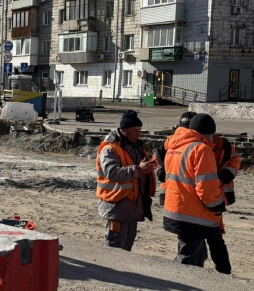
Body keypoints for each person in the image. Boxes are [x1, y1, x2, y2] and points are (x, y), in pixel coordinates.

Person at [162, 113, 231, 274]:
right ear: (208, 133)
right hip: (193, 215)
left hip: (175, 211)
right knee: (188, 261)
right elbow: (206, 188)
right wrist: (217, 204)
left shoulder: (174, 147)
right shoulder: (201, 149)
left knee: (196, 254)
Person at [96, 110, 158, 251]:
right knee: (114, 247)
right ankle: (111, 273)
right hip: (117, 206)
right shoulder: (110, 148)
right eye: (135, 130)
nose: (138, 134)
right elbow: (113, 173)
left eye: (139, 130)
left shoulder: (135, 146)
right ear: (124, 130)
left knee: (126, 248)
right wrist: (139, 169)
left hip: (132, 206)